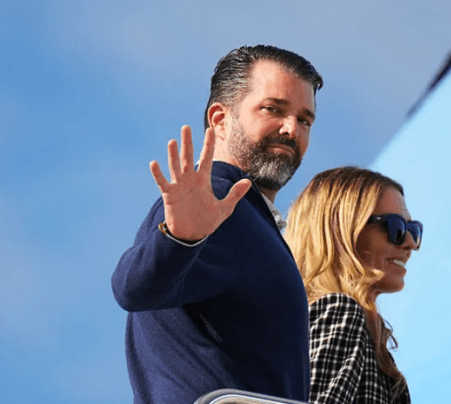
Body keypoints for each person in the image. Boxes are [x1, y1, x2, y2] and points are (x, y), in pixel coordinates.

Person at [111, 45, 323, 404]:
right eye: (273, 109)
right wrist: (179, 238)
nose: (291, 129)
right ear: (221, 120)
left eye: (305, 120)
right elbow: (133, 288)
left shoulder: (250, 219)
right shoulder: (219, 202)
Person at [284, 167, 422, 404]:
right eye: (396, 228)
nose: (411, 243)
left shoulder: (310, 321)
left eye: (414, 230)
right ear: (343, 232)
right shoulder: (340, 313)